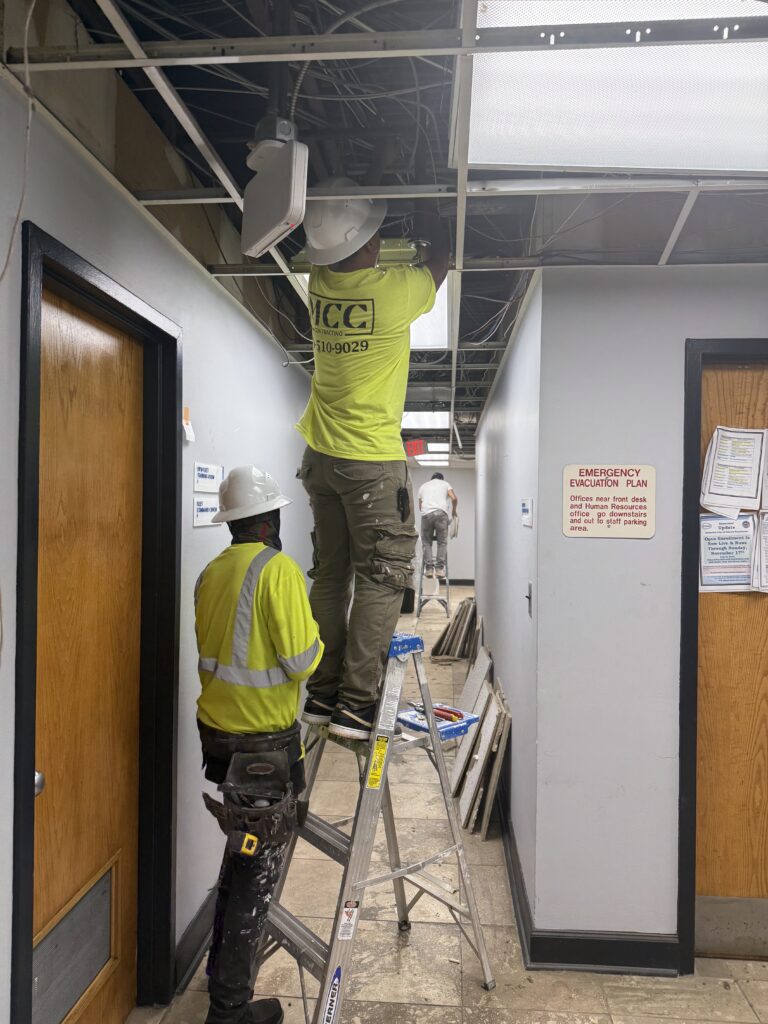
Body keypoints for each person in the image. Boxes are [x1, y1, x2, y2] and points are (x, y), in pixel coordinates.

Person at [296, 176, 450, 741]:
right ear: (360, 243)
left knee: (331, 575)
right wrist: (436, 214)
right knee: (384, 577)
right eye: (374, 235)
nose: (380, 241)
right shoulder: (392, 294)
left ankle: (322, 694)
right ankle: (358, 707)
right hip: (369, 461)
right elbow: (442, 262)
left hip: (320, 457)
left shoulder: (317, 283)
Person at [194, 465, 323, 1024]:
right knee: (255, 871)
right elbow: (301, 660)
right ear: (269, 522)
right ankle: (228, 1010)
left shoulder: (210, 572)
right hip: (263, 749)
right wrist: (323, 644)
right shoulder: (278, 570)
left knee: (239, 857)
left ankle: (217, 978)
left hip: (219, 740)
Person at [418, 472, 458, 579]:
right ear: (441, 479)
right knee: (442, 542)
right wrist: (453, 511)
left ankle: (429, 569)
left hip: (426, 515)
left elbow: (420, 506)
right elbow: (454, 498)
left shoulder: (423, 486)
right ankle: (440, 569)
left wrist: (427, 513)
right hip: (441, 514)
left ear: (432, 479)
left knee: (426, 542)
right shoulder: (445, 484)